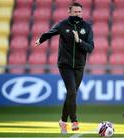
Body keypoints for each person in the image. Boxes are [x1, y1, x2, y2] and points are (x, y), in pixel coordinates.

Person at [35, 2, 94, 134]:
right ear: (69, 12)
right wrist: (40, 40)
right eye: (75, 12)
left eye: (79, 12)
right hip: (65, 65)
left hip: (79, 66)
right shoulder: (63, 25)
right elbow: (50, 33)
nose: (77, 14)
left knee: (71, 94)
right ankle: (74, 120)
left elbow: (90, 48)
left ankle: (62, 121)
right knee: (72, 92)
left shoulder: (87, 27)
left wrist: (79, 41)